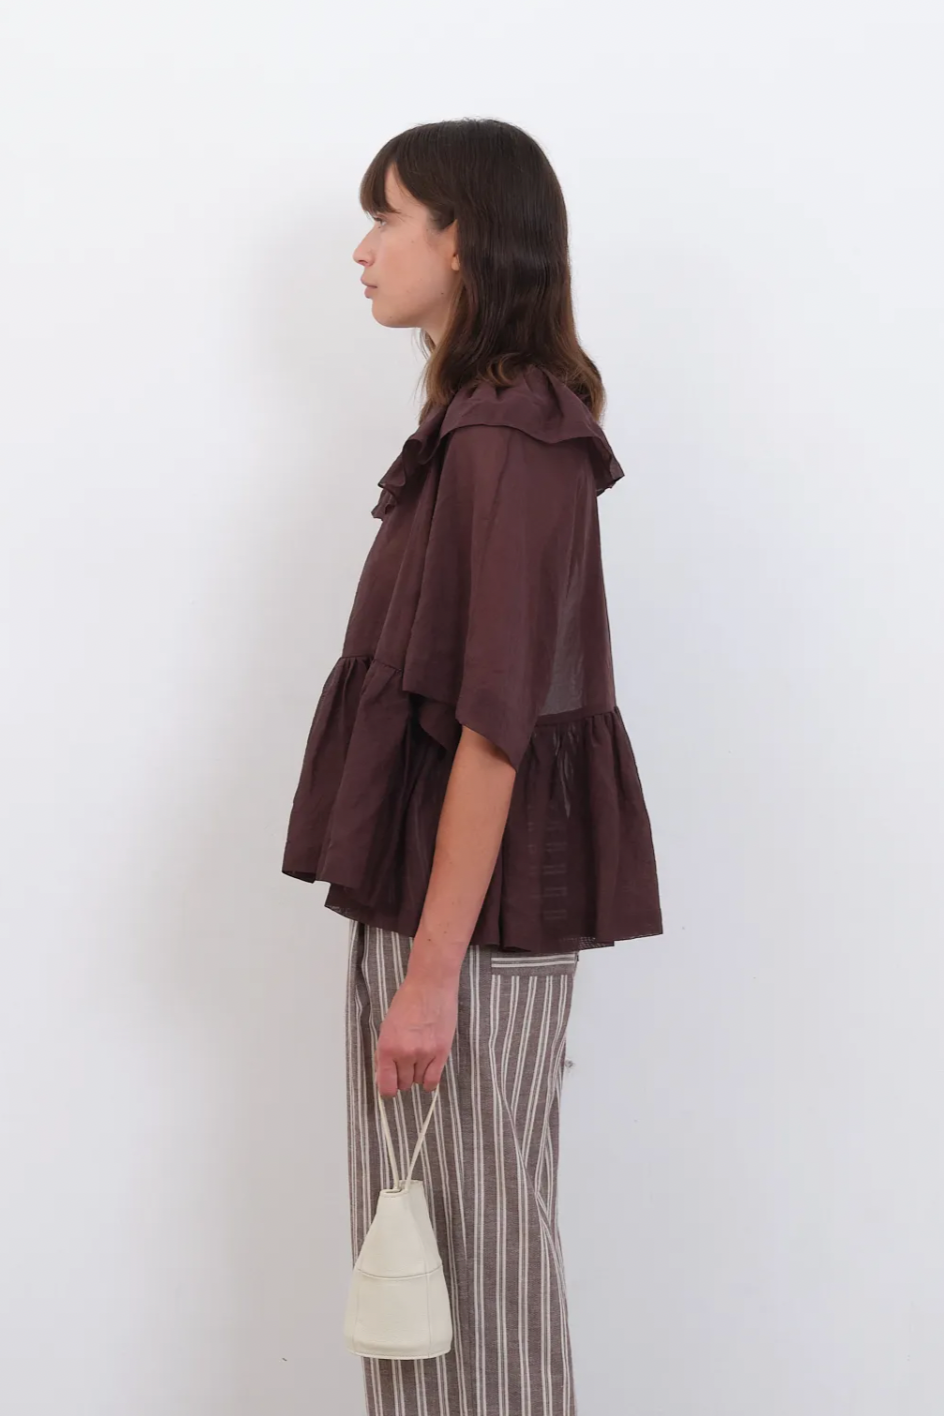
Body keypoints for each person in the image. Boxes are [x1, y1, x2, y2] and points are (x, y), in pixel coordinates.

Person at [281, 117, 663, 1416]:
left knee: (470, 1287)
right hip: (446, 910)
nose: (363, 249)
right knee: (430, 1280)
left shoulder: (507, 437)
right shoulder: (481, 427)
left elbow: (499, 728)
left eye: (387, 217)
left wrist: (432, 979)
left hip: (465, 927)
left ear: (462, 238)